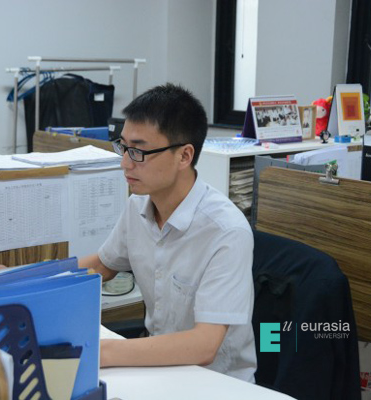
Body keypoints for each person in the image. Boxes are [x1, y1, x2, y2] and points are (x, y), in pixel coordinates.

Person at [79, 83, 257, 382]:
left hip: (215, 383)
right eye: (123, 147)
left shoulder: (226, 231)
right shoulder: (138, 205)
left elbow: (204, 345)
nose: (125, 163)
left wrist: (102, 352)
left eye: (138, 151)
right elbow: (101, 265)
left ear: (184, 156)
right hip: (157, 370)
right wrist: (19, 279)